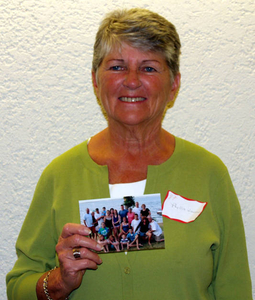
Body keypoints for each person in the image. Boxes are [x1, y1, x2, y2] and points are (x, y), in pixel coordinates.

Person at [6, 8, 252, 300]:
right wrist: (59, 281)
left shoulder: (209, 173)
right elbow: (18, 288)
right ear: (96, 82)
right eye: (117, 67)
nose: (132, 80)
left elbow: (234, 288)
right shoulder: (60, 176)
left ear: (174, 84)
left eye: (149, 68)